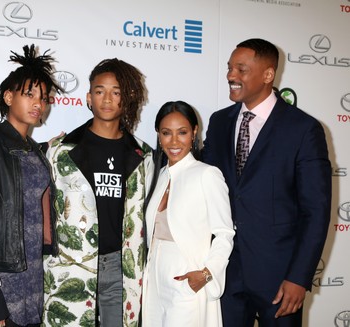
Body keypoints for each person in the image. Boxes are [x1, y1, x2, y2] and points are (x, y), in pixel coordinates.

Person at [202, 38, 332, 326]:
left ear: (268, 75)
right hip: (225, 274)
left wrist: (299, 277)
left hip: (280, 279)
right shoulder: (219, 121)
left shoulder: (303, 129)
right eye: (229, 68)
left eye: (241, 69)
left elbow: (316, 211)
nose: (231, 76)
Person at [42, 58, 154, 326]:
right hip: (72, 267)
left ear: (126, 99)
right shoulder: (60, 151)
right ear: (89, 97)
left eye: (116, 92)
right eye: (100, 90)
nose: (107, 99)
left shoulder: (143, 155)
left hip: (121, 269)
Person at [0, 44, 62, 327]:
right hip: (4, 285)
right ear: (9, 97)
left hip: (35, 280)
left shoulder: (35, 152)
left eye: (43, 97)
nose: (38, 103)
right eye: (29, 94)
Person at [141, 101, 234, 326]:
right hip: (153, 278)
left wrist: (206, 273)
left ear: (194, 133)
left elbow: (225, 233)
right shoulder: (158, 174)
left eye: (182, 132)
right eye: (166, 133)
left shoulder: (207, 174)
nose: (174, 141)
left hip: (187, 277)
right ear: (158, 135)